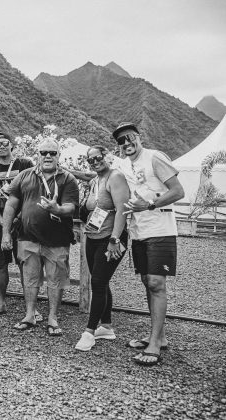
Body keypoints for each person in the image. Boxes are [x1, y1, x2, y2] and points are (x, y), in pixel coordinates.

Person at [113, 122, 184, 366]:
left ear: (138, 137)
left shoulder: (155, 157)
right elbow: (100, 173)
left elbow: (178, 191)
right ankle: (159, 336)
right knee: (147, 281)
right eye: (121, 141)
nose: (126, 144)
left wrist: (151, 204)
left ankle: (154, 344)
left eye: (129, 138)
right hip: (139, 231)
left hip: (161, 228)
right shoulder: (124, 164)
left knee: (156, 283)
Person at [2, 139, 79, 336]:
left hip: (57, 240)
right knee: (30, 278)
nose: (47, 156)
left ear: (58, 155)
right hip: (27, 237)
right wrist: (5, 233)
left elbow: (71, 207)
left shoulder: (67, 179)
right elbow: (11, 205)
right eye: (44, 152)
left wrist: (58, 209)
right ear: (37, 154)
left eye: (52, 153)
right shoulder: (24, 176)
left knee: (55, 279)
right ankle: (29, 315)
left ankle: (53, 318)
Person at [74, 145, 130, 351]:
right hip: (94, 236)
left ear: (107, 156)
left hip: (111, 238)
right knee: (100, 281)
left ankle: (89, 332)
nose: (95, 161)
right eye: (91, 160)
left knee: (97, 281)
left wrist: (115, 239)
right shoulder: (96, 180)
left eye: (98, 157)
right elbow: (85, 176)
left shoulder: (115, 177)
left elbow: (122, 211)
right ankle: (106, 327)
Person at [0, 132, 33, 317]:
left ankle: (30, 308)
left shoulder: (25, 165)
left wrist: (16, 220)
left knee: (25, 264)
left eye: (4, 143)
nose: (1, 147)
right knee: (0, 265)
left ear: (11, 145)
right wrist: (5, 225)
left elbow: (32, 194)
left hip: (23, 223)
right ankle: (0, 303)